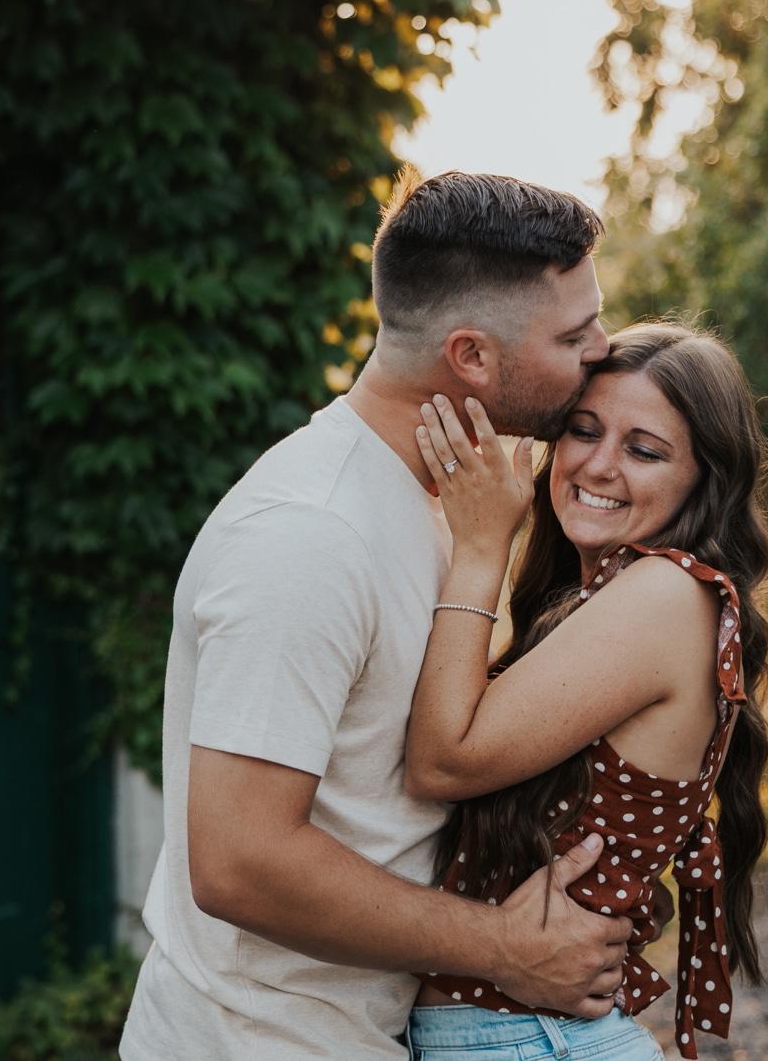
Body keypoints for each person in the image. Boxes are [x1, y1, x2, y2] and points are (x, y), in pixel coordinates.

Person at [120, 169, 636, 1061]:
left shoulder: (453, 504)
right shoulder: (308, 536)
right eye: (573, 335)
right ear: (472, 357)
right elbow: (239, 862)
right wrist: (504, 948)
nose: (603, 349)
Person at [403, 320, 768, 1060]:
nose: (598, 465)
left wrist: (480, 546)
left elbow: (442, 762)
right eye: (583, 431)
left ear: (705, 479)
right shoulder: (601, 600)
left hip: (525, 1039)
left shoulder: (666, 594)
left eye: (644, 450)